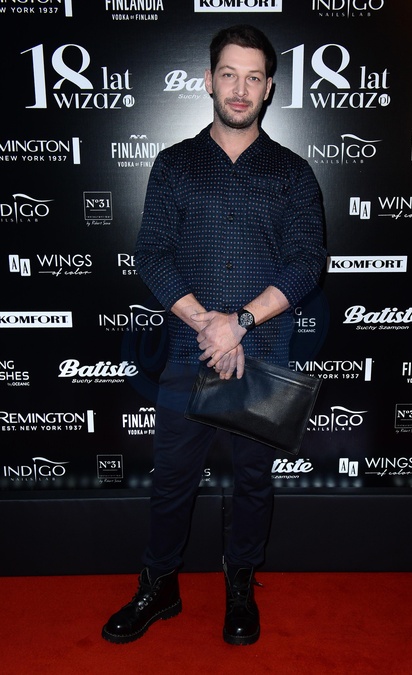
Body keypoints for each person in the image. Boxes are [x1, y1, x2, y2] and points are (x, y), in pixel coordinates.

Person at [102, 24, 326, 646]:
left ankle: (240, 583)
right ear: (208, 80)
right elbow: (152, 253)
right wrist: (208, 324)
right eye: (229, 74)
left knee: (253, 483)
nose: (240, 88)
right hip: (187, 351)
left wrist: (241, 323)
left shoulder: (293, 173)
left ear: (269, 88)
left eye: (254, 77)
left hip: (264, 356)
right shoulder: (175, 164)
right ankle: (160, 585)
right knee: (171, 482)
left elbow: (307, 262)